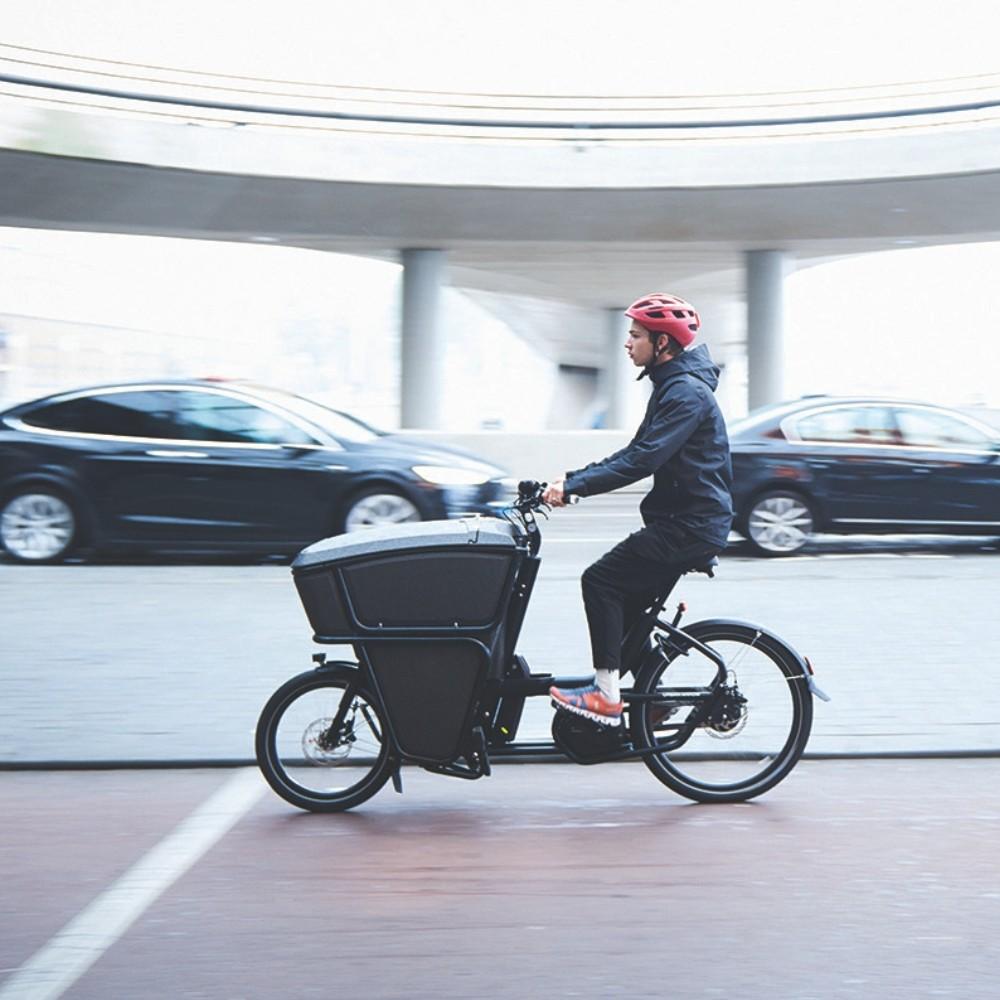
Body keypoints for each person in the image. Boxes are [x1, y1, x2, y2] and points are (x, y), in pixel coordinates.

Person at [543, 292, 734, 726]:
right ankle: (656, 700)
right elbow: (635, 452)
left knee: (600, 581)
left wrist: (574, 487)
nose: (627, 343)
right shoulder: (672, 385)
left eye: (636, 335)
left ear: (662, 343)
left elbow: (643, 460)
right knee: (628, 606)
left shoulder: (685, 393)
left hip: (689, 526)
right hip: (685, 522)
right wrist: (569, 481)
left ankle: (606, 696)